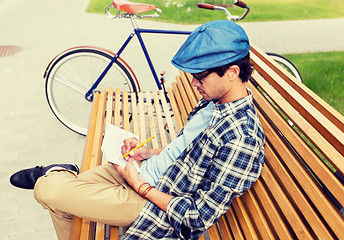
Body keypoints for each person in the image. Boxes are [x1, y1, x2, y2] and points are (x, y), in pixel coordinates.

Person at [10, 20, 265, 240]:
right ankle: (61, 174)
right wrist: (149, 152)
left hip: (152, 202)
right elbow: (190, 150)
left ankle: (59, 172)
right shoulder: (213, 101)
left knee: (48, 190)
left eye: (200, 76)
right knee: (56, 201)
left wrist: (140, 185)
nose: (193, 83)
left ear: (232, 72)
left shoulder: (242, 139)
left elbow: (196, 217)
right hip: (140, 172)